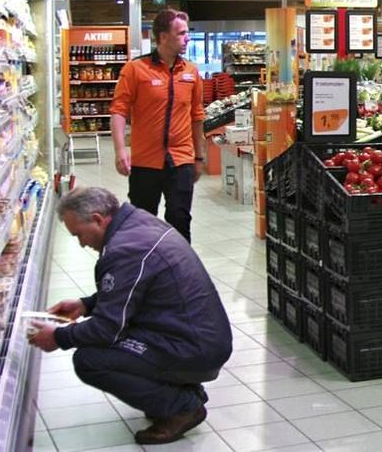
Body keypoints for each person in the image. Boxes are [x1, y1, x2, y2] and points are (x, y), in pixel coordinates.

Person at [28, 187, 232, 446]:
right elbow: (135, 289)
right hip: (195, 337)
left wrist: (58, 336)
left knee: (90, 359)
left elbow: (106, 330)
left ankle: (183, 407)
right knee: (112, 345)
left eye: (79, 234)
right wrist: (85, 305)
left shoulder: (124, 249)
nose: (81, 243)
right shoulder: (138, 222)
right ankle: (180, 390)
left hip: (192, 347)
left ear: (98, 219)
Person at [110, 8, 205, 242]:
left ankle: (181, 274)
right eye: (181, 33)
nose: (187, 38)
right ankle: (145, 272)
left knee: (180, 221)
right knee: (143, 224)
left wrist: (199, 157)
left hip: (181, 161)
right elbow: (119, 110)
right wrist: (120, 149)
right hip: (145, 163)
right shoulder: (135, 69)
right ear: (163, 37)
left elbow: (197, 116)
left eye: (187, 33)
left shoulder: (191, 72)